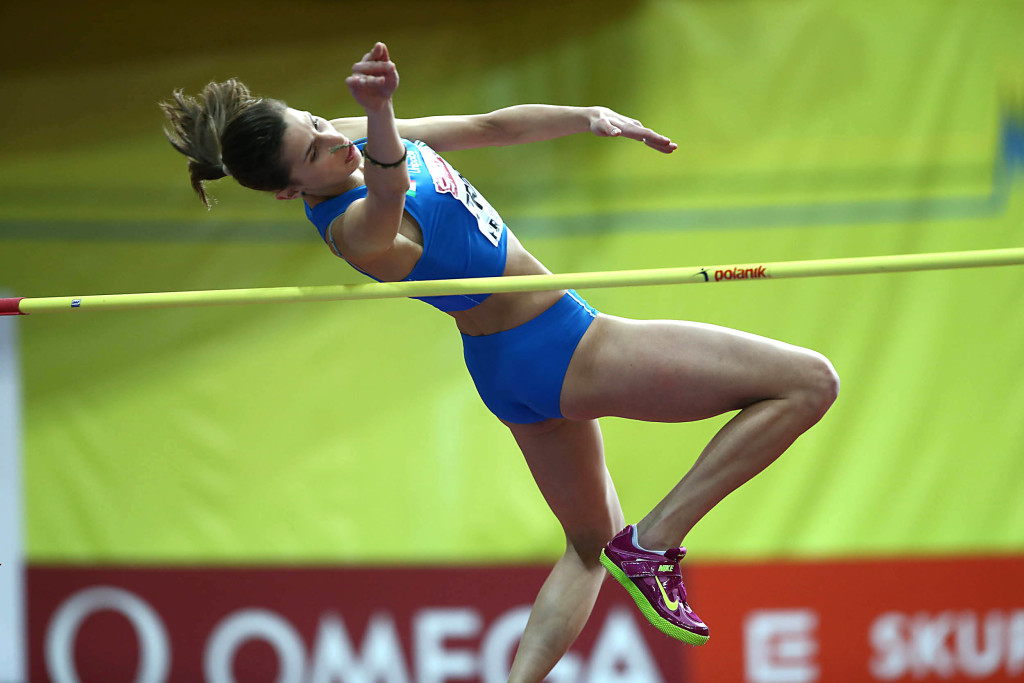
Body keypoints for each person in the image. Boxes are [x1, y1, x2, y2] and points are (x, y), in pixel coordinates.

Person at [162, 42, 839, 681]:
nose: (335, 139)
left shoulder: (346, 137)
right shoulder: (350, 230)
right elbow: (390, 192)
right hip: (560, 344)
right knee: (807, 383)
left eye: (317, 121)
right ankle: (658, 539)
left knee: (586, 547)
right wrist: (379, 113)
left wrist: (585, 117)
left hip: (509, 372)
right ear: (291, 190)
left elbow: (488, 125)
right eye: (315, 148)